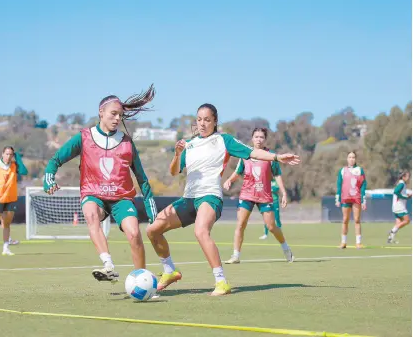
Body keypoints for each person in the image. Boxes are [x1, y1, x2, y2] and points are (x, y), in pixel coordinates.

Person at [146, 104, 300, 296]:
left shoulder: (223, 140)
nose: (202, 124)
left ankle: (221, 282)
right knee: (152, 230)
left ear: (215, 121)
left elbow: (252, 152)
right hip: (188, 198)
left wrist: (276, 157)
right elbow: (174, 171)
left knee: (201, 232)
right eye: (199, 119)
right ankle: (169, 271)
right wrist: (177, 154)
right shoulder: (190, 144)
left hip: (210, 196)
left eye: (207, 120)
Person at [44, 86, 157, 282]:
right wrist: (49, 178)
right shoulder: (84, 137)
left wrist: (152, 211)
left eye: (120, 116)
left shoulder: (127, 143)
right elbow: (55, 160)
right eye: (113, 114)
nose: (117, 119)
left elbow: (142, 178)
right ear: (101, 112)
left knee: (134, 233)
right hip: (93, 194)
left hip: (121, 198)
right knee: (90, 213)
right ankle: (108, 266)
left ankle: (142, 279)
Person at [223, 128, 293, 264]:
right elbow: (238, 172)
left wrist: (283, 193)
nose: (259, 139)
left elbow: (277, 175)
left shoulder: (271, 156)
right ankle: (236, 255)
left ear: (265, 139)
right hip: (247, 194)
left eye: (261, 137)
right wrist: (229, 180)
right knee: (240, 224)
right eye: (256, 137)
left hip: (264, 195)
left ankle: (286, 248)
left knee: (271, 226)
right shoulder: (245, 155)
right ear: (252, 138)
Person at [0, 146, 28, 255]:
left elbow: (24, 171)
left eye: (11, 154)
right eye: (7, 154)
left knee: (7, 224)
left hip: (11, 198)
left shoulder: (14, 165)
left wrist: (18, 158)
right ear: (2, 154)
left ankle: (5, 248)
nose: (8, 156)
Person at [335, 151, 367, 249]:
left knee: (357, 220)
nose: (351, 159)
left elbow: (363, 185)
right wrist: (338, 198)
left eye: (353, 157)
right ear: (347, 159)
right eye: (349, 157)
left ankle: (358, 242)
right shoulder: (342, 170)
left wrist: (363, 200)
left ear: (356, 159)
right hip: (345, 198)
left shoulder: (359, 170)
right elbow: (339, 185)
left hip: (356, 198)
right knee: (345, 220)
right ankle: (343, 242)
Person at [387, 171, 411, 244]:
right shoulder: (401, 184)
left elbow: (400, 193)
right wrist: (406, 197)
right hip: (399, 206)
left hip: (396, 206)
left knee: (398, 223)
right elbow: (396, 192)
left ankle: (390, 239)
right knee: (407, 220)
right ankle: (392, 231)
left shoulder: (401, 183)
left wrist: (406, 195)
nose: (408, 178)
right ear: (403, 177)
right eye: (407, 176)